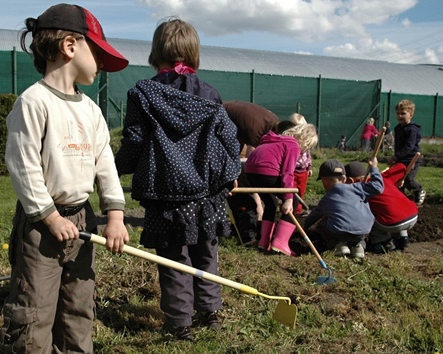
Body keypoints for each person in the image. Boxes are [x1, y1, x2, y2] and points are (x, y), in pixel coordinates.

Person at [1, 4, 130, 353]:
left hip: (82, 220)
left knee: (78, 304)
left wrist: (115, 216)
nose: (102, 65)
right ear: (70, 46)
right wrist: (50, 216)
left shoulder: (90, 110)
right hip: (42, 224)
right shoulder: (34, 103)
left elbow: (105, 162)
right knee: (34, 308)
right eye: (98, 54)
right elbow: (23, 166)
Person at [114, 17, 241, 341]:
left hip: (165, 195)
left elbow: (135, 139)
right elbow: (228, 136)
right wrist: (230, 176)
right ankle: (210, 313)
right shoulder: (209, 93)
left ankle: (179, 324)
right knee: (205, 253)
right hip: (205, 194)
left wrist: (114, 169)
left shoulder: (143, 93)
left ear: (157, 51)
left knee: (173, 260)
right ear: (193, 53)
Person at [244, 122, 318, 256]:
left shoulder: (272, 139)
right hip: (267, 172)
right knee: (294, 202)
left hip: (250, 172)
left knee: (271, 203)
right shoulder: (292, 145)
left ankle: (264, 241)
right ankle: (280, 242)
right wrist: (288, 199)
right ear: (306, 141)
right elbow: (287, 173)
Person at [223, 101, 280, 244]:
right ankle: (248, 234)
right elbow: (251, 164)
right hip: (223, 119)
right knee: (241, 197)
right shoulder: (256, 131)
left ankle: (259, 233)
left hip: (234, 126)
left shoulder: (268, 125)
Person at [304, 158, 383, 258]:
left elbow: (314, 216)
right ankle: (359, 247)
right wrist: (374, 168)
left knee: (322, 225)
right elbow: (378, 187)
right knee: (358, 223)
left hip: (340, 232)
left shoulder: (327, 198)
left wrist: (306, 228)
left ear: (324, 181)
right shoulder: (358, 187)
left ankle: (338, 246)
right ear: (344, 178)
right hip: (364, 231)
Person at [344, 161, 418, 252]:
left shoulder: (358, 189)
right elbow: (402, 167)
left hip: (392, 223)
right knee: (394, 208)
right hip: (413, 215)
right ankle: (403, 238)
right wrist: (396, 175)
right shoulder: (382, 178)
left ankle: (383, 242)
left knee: (367, 217)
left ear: (350, 180)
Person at [387, 99, 426, 205]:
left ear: (411, 114)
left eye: (403, 113)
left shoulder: (412, 129)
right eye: (398, 113)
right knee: (397, 180)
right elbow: (398, 146)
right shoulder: (398, 128)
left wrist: (395, 157)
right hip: (401, 159)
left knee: (408, 179)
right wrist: (396, 158)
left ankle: (418, 190)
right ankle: (401, 200)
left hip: (412, 159)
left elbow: (409, 146)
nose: (400, 116)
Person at [288, 113, 314, 216]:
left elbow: (308, 155)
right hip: (293, 170)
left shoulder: (305, 141)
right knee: (291, 191)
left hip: (303, 171)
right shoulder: (290, 140)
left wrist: (309, 167)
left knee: (301, 191)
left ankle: (298, 210)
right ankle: (291, 208)